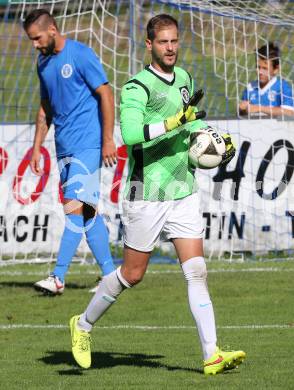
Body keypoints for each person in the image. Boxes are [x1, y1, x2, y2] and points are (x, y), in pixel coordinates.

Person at [69, 14, 245, 375]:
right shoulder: (137, 87)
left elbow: (190, 120)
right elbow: (131, 135)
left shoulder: (184, 78)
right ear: (149, 45)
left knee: (196, 271)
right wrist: (174, 122)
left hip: (183, 189)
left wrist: (211, 135)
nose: (171, 48)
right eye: (163, 42)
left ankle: (212, 354)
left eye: (175, 41)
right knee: (132, 275)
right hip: (145, 192)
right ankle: (83, 324)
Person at [23, 9, 117, 295]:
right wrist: (37, 147)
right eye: (31, 39)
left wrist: (108, 139)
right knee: (87, 213)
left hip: (88, 145)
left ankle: (58, 277)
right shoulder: (43, 63)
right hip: (63, 147)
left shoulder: (80, 54)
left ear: (52, 29)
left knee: (74, 209)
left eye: (37, 38)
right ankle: (111, 274)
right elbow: (46, 108)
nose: (35, 44)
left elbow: (106, 94)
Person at [239, 42, 294, 117]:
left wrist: (260, 108)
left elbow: (289, 112)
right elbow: (242, 115)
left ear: (276, 69)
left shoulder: (282, 87)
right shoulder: (250, 87)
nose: (260, 72)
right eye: (258, 67)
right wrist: (241, 110)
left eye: (265, 68)